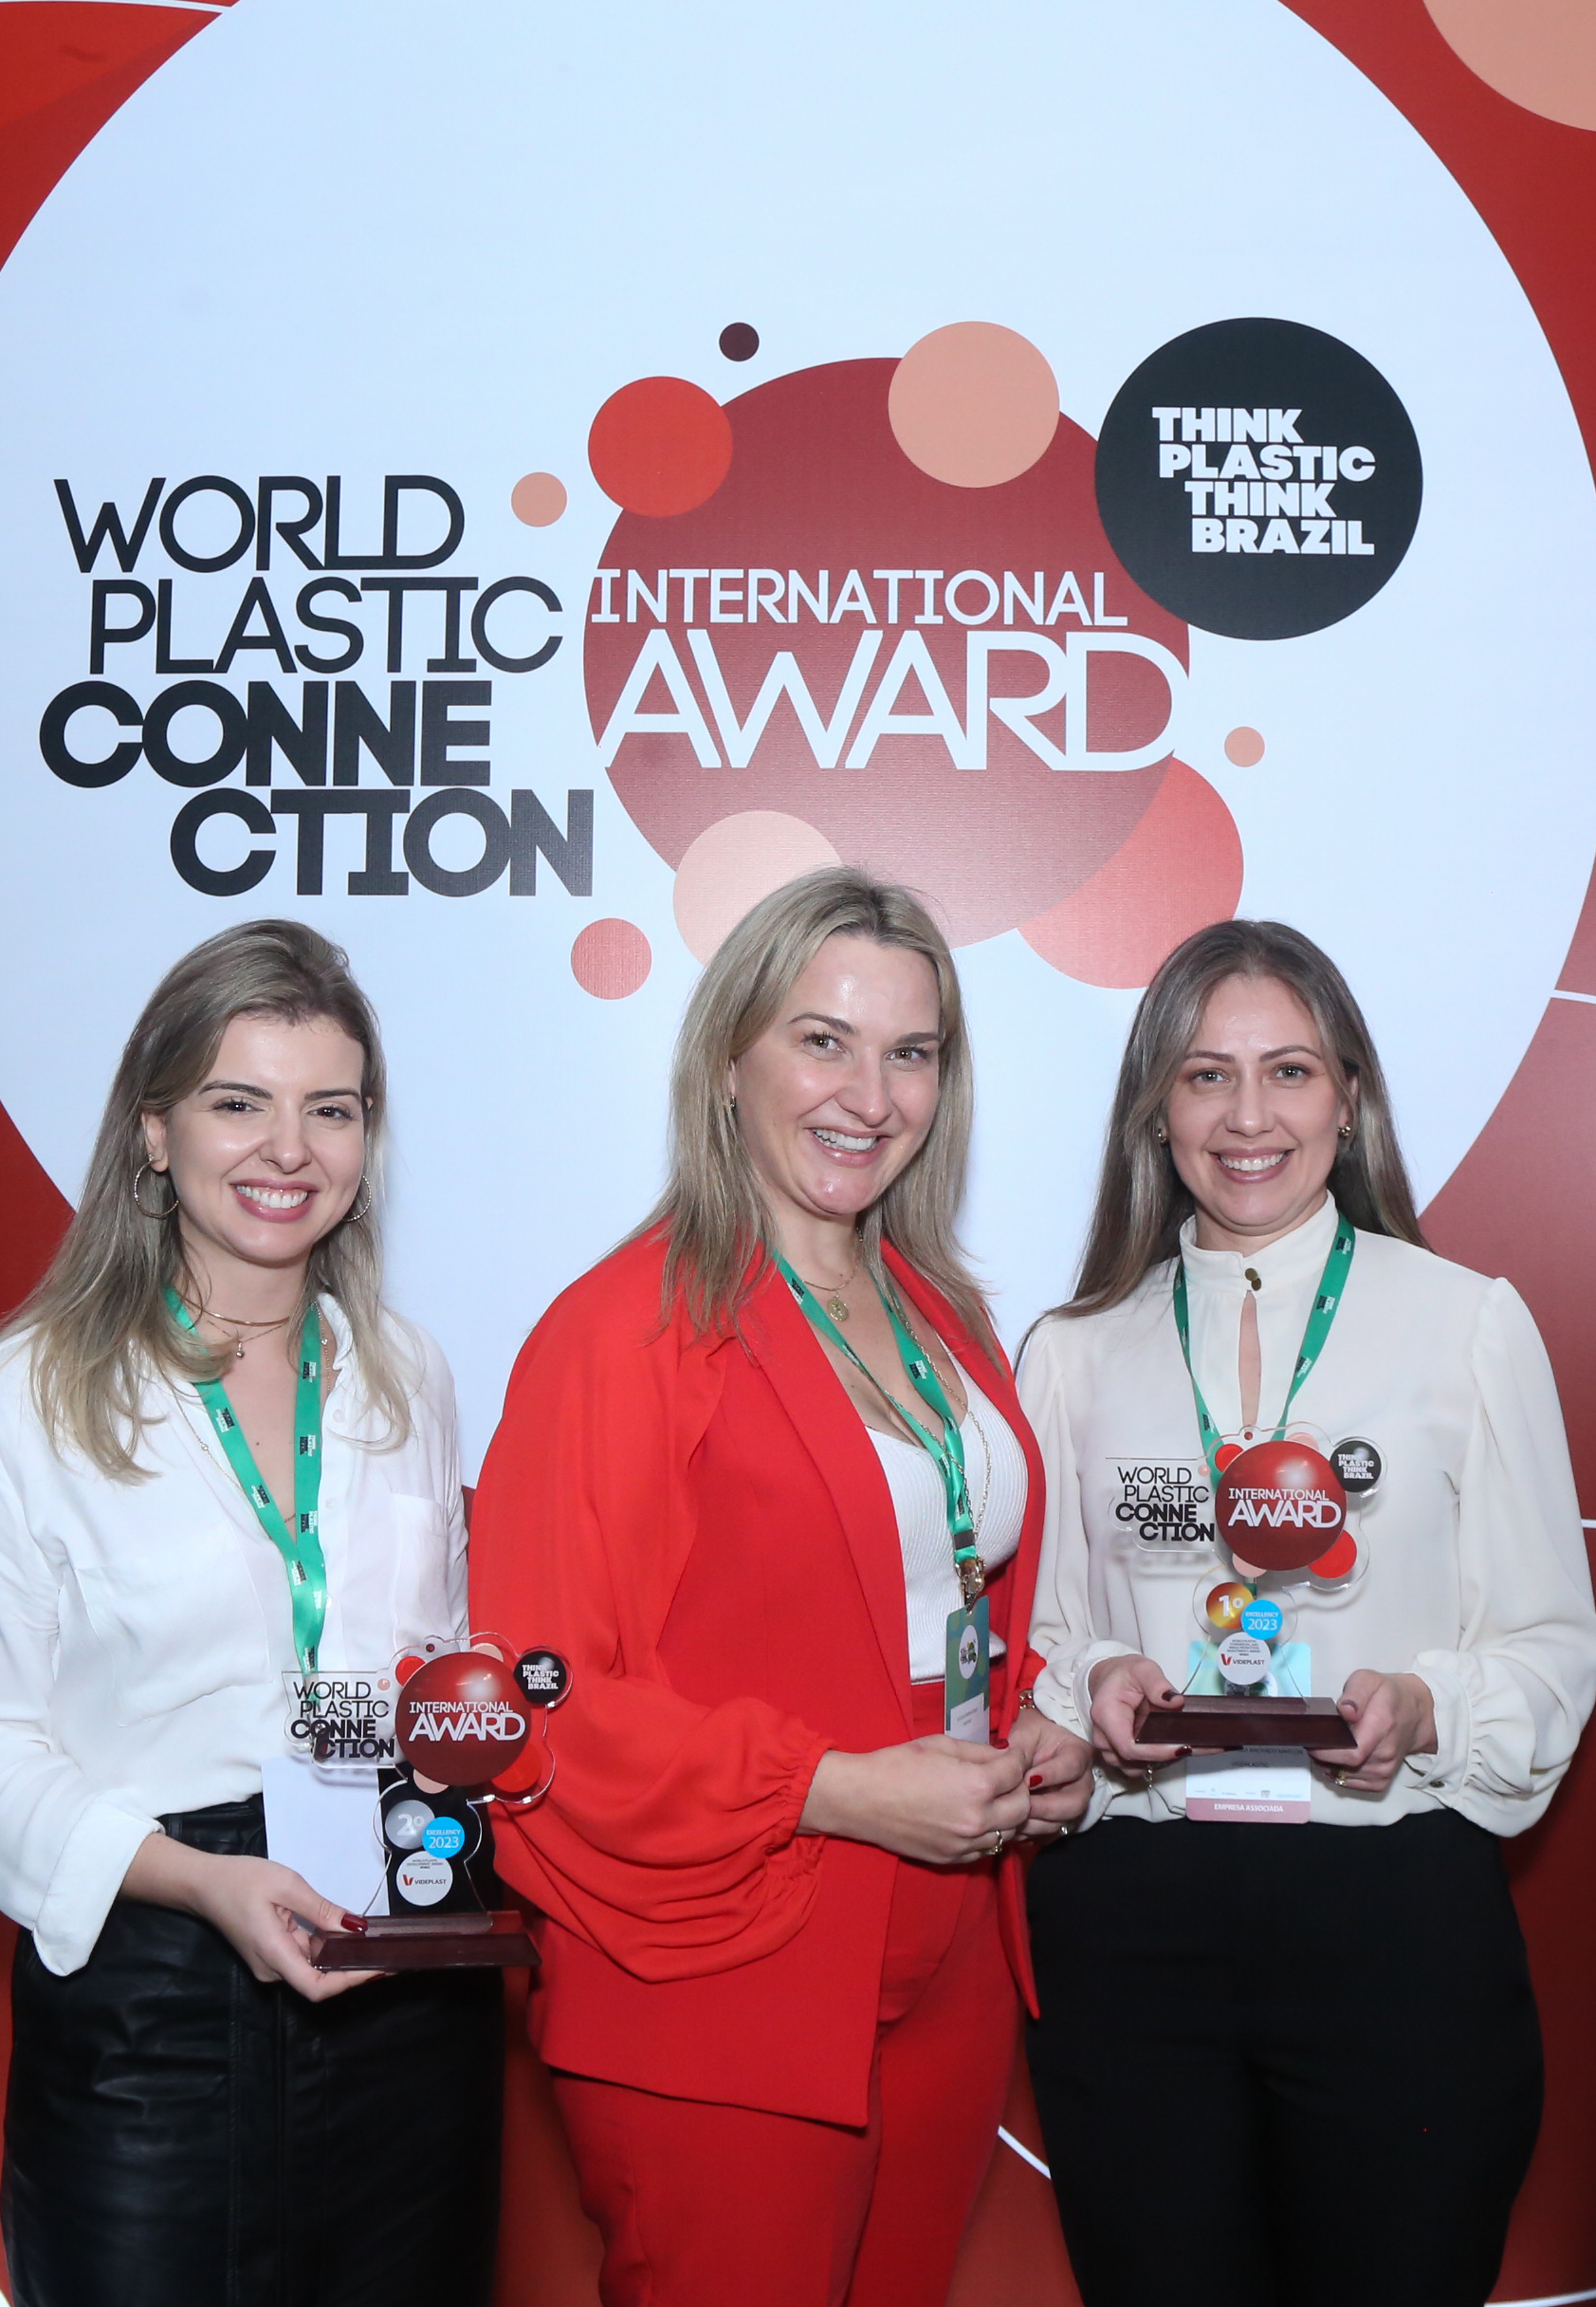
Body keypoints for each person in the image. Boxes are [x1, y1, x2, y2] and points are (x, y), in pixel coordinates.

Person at [470, 868, 1094, 2307]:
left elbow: (932, 1592)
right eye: (823, 1041)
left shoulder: (940, 1313)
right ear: (729, 1059)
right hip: (725, 1966)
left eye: (910, 1053)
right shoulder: (623, 1333)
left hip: (949, 1953)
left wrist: (1030, 1731)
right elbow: (534, 1708)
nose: (869, 1096)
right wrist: (835, 1787)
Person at [1018, 919, 1596, 2307]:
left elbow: (1550, 1643)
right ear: (1156, 1110)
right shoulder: (1073, 1351)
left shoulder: (1467, 1323)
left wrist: (1424, 1707)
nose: (1248, 1117)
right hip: (1135, 1925)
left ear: (1349, 1098)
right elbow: (1031, 1641)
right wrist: (1095, 1681)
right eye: (1205, 1075)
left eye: (1287, 1071)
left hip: (1392, 1917)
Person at [0, 920, 498, 2307]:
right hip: (153, 1990)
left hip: (401, 1971)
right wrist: (198, 1881)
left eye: (330, 1110)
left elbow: (429, 1675)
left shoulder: (407, 1376)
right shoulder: (19, 1405)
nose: (288, 1150)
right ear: (154, 1132)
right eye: (240, 1103)